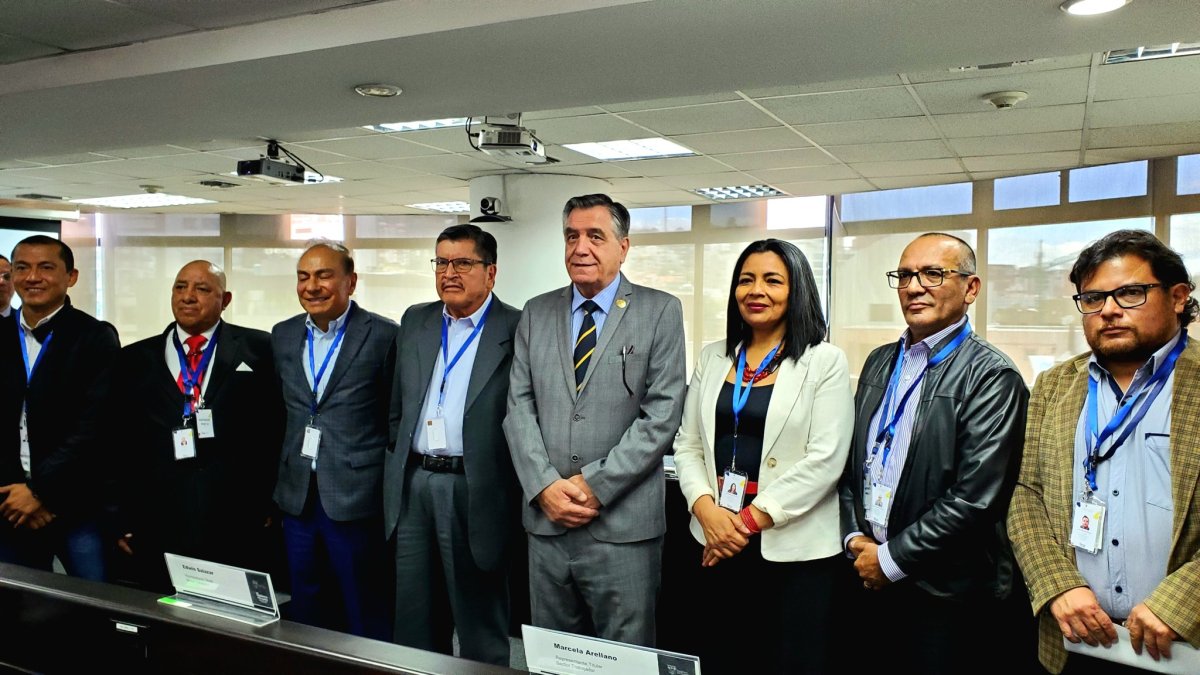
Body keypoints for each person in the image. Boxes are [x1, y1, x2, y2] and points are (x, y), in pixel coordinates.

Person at [839, 232, 1032, 673]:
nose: (913, 286)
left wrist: (891, 559)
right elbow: (852, 466)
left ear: (971, 288)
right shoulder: (879, 361)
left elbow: (975, 498)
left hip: (943, 593)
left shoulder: (992, 375)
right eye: (905, 275)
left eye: (932, 273)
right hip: (866, 573)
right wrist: (854, 539)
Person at [1009, 229, 1200, 674]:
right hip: (1076, 639)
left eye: (1130, 293)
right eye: (1092, 298)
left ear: (1177, 297)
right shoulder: (1056, 384)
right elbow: (1025, 493)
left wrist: (1180, 602)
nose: (1109, 310)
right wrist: (1057, 585)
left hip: (1183, 645)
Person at [504, 193, 686, 647]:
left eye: (594, 236)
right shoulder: (536, 312)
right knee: (553, 652)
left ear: (623, 247)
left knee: (625, 655)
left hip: (622, 529)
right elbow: (518, 407)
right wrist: (544, 486)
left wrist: (593, 485)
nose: (580, 247)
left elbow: (661, 416)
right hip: (547, 526)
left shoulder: (659, 310)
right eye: (571, 236)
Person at [673, 239, 853, 674]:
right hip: (716, 539)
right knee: (723, 655)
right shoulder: (714, 356)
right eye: (746, 279)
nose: (756, 290)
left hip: (793, 549)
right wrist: (708, 513)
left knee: (789, 662)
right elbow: (688, 444)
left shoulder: (823, 361)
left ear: (797, 291)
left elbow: (825, 459)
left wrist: (745, 523)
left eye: (773, 280)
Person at [383, 224, 521, 665]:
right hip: (415, 485)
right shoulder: (416, 320)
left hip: (476, 488)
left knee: (479, 624)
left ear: (491, 272)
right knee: (414, 620)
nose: (450, 273)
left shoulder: (518, 327)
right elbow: (396, 407)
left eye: (463, 263)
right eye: (442, 262)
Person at [109, 260, 284, 591]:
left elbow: (274, 430)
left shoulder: (261, 350)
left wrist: (270, 503)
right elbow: (118, 442)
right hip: (157, 514)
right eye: (180, 287)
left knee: (229, 620)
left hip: (236, 515)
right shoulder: (134, 359)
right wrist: (119, 515)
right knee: (164, 615)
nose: (188, 296)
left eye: (202, 289)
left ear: (226, 299)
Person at [272, 240, 397, 639]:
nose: (312, 286)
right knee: (306, 606)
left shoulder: (384, 336)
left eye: (324, 275)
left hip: (356, 497)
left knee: (363, 606)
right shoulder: (283, 334)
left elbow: (395, 417)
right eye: (303, 276)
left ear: (351, 281)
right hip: (298, 498)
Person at [0, 236, 120, 580]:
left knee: (95, 607)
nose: (32, 277)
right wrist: (14, 489)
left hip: (73, 503)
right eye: (21, 268)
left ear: (72, 276)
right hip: (8, 504)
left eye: (46, 267)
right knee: (15, 612)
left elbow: (94, 426)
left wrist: (41, 492)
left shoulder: (95, 337)